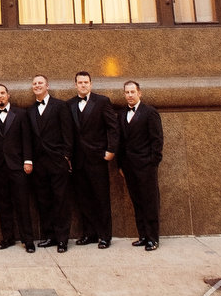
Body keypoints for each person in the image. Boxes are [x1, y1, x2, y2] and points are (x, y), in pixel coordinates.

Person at [67, 71, 119, 249]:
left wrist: (111, 150)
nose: (82, 85)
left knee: (101, 199)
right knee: (83, 199)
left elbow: (113, 127)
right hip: (78, 161)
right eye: (79, 82)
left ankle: (105, 236)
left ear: (91, 84)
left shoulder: (102, 101)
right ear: (75, 85)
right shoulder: (70, 104)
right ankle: (89, 234)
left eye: (85, 82)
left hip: (97, 158)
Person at [26, 74, 73, 253]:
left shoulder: (60, 106)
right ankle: (49, 236)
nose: (37, 85)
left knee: (60, 201)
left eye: (40, 83)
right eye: (34, 83)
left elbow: (68, 133)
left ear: (47, 86)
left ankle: (62, 239)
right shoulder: (30, 111)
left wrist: (66, 157)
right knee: (43, 201)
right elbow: (29, 138)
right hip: (39, 164)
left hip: (57, 162)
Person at [0, 83, 35, 253]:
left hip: (18, 167)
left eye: (2, 93)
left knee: (22, 204)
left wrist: (28, 160)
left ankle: (28, 240)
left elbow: (27, 139)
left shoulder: (21, 114)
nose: (0, 96)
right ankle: (7, 237)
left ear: (8, 95)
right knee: (3, 204)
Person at [118, 80, 164, 251]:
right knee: (137, 201)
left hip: (146, 166)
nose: (129, 95)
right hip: (129, 167)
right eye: (127, 92)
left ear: (139, 93)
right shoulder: (122, 114)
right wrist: (120, 165)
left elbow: (157, 140)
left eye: (132, 92)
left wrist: (153, 162)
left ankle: (153, 238)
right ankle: (143, 236)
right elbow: (121, 142)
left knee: (150, 202)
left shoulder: (150, 112)